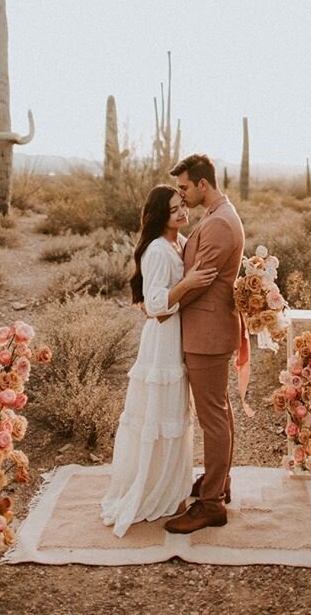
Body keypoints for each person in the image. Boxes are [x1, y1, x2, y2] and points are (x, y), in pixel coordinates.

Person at [101, 184, 217, 538]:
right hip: (161, 343)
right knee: (158, 414)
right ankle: (152, 490)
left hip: (177, 338)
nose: (182, 212)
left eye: (182, 204)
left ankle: (171, 487)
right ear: (158, 216)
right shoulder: (156, 250)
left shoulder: (178, 243)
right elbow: (154, 306)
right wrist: (188, 284)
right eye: (173, 209)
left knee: (173, 415)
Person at [164, 154, 245, 535]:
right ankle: (219, 482)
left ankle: (211, 504)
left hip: (207, 330)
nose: (180, 196)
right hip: (207, 328)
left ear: (202, 184)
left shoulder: (218, 225)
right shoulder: (218, 216)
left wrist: (163, 307)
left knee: (212, 415)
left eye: (183, 188)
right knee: (218, 411)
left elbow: (201, 283)